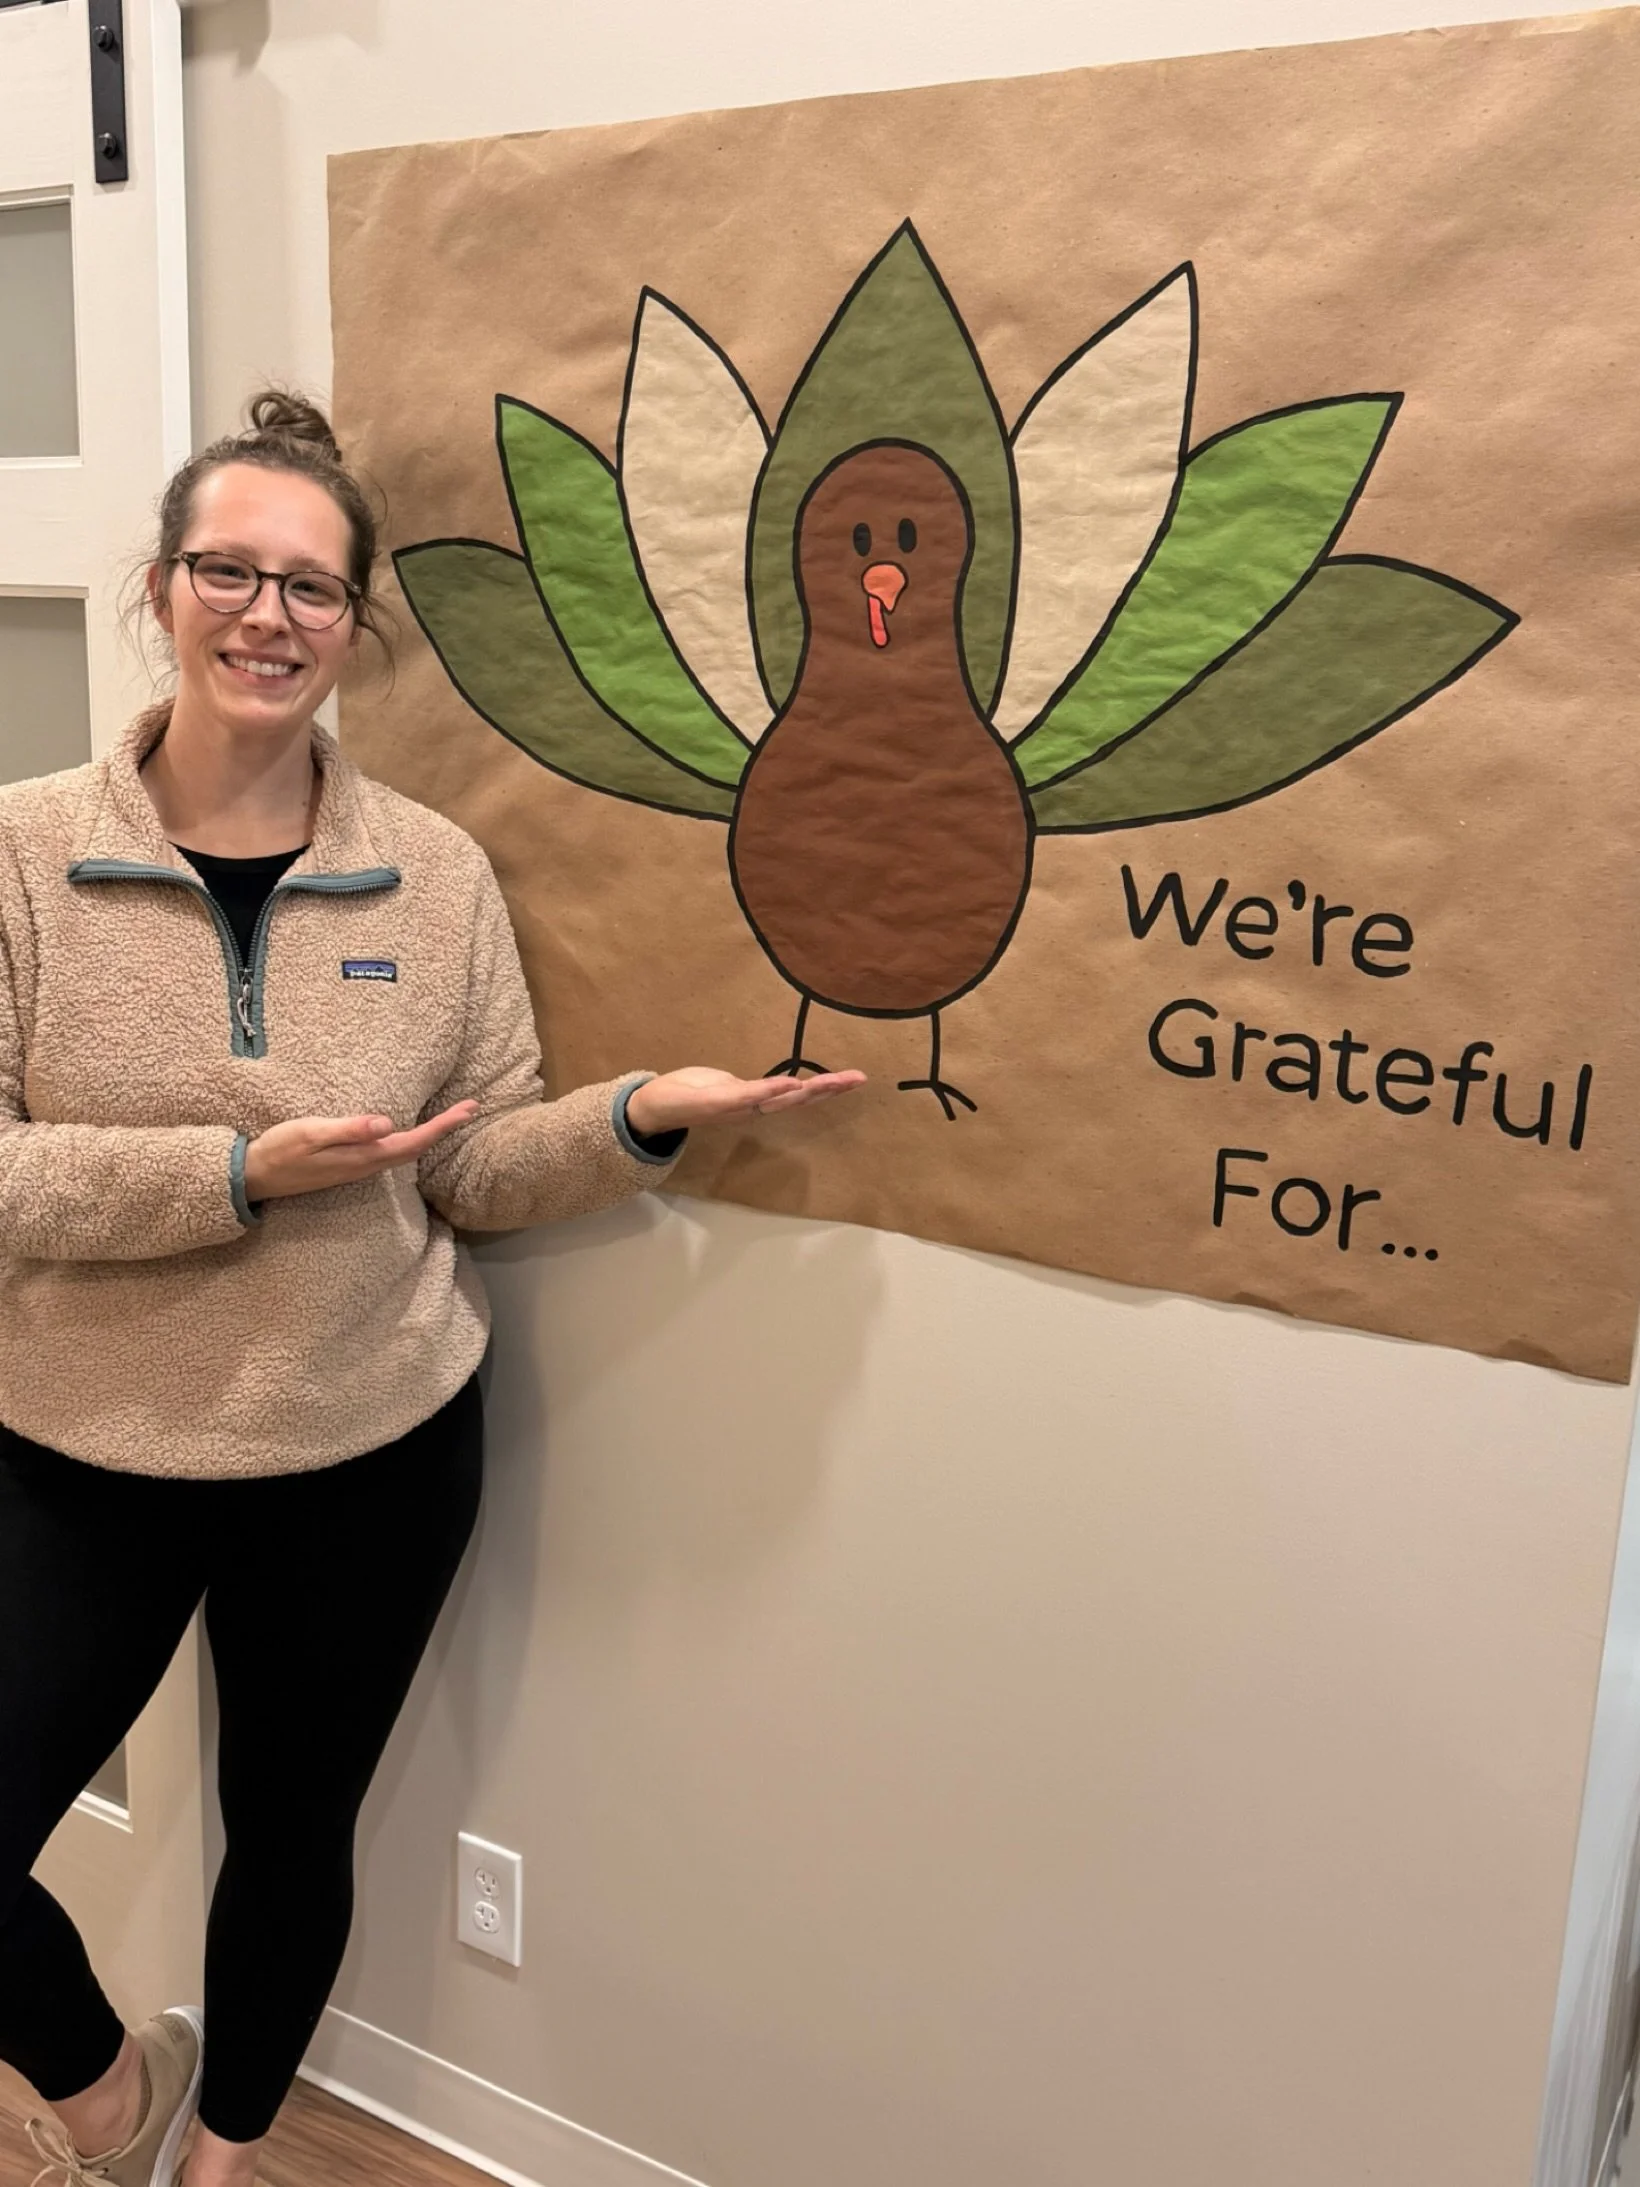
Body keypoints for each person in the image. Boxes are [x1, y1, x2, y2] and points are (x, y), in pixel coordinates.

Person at [0, 391, 863, 2187]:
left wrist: (638, 1118)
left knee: (295, 1829)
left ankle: (222, 2155)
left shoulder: (439, 875)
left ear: (355, 627)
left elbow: (469, 1164)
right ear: (160, 586)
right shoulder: (19, 856)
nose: (267, 616)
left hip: (371, 1443)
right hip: (79, 1444)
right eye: (229, 569)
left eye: (313, 589)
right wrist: (236, 1175)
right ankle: (105, 2100)